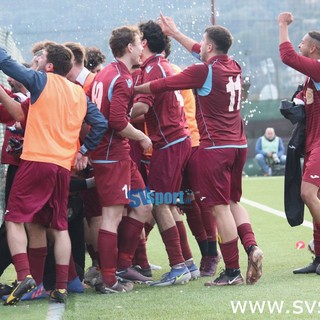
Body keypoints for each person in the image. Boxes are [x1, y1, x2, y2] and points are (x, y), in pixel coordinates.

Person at [135, 13, 263, 286]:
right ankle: (252, 247)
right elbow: (198, 51)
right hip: (239, 145)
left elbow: (162, 85)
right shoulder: (234, 65)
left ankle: (231, 271)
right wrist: (176, 33)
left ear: (209, 47)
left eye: (202, 42)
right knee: (232, 202)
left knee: (218, 209)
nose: (199, 46)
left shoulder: (202, 71)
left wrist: (133, 89)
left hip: (215, 148)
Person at [0, 41, 108, 305]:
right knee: (59, 227)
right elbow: (101, 123)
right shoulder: (78, 93)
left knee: (14, 219)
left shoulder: (40, 81)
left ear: (49, 65)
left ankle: (25, 275)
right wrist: (84, 151)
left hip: (36, 161)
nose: (36, 60)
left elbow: (7, 64)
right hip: (62, 167)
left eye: (41, 57)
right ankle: (59, 287)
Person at [87, 25, 154, 294]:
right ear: (129, 47)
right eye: (139, 44)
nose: (142, 49)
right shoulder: (122, 78)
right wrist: (142, 137)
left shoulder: (105, 73)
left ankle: (123, 264)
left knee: (143, 205)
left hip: (117, 154)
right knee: (111, 216)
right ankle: (109, 279)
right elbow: (116, 121)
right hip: (110, 155)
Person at [131, 20, 198, 286]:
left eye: (136, 40)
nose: (134, 46)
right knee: (169, 202)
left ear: (144, 43)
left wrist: (116, 120)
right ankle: (188, 263)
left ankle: (178, 265)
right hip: (177, 140)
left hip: (169, 142)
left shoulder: (154, 67)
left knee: (159, 203)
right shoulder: (163, 65)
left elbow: (142, 109)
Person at [277, 12, 320, 274]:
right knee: (315, 197)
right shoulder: (309, 77)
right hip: (313, 142)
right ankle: (318, 260)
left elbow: (287, 57)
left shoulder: (318, 67)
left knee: (307, 193)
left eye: (302, 42)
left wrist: (282, 26)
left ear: (312, 49)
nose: (299, 46)